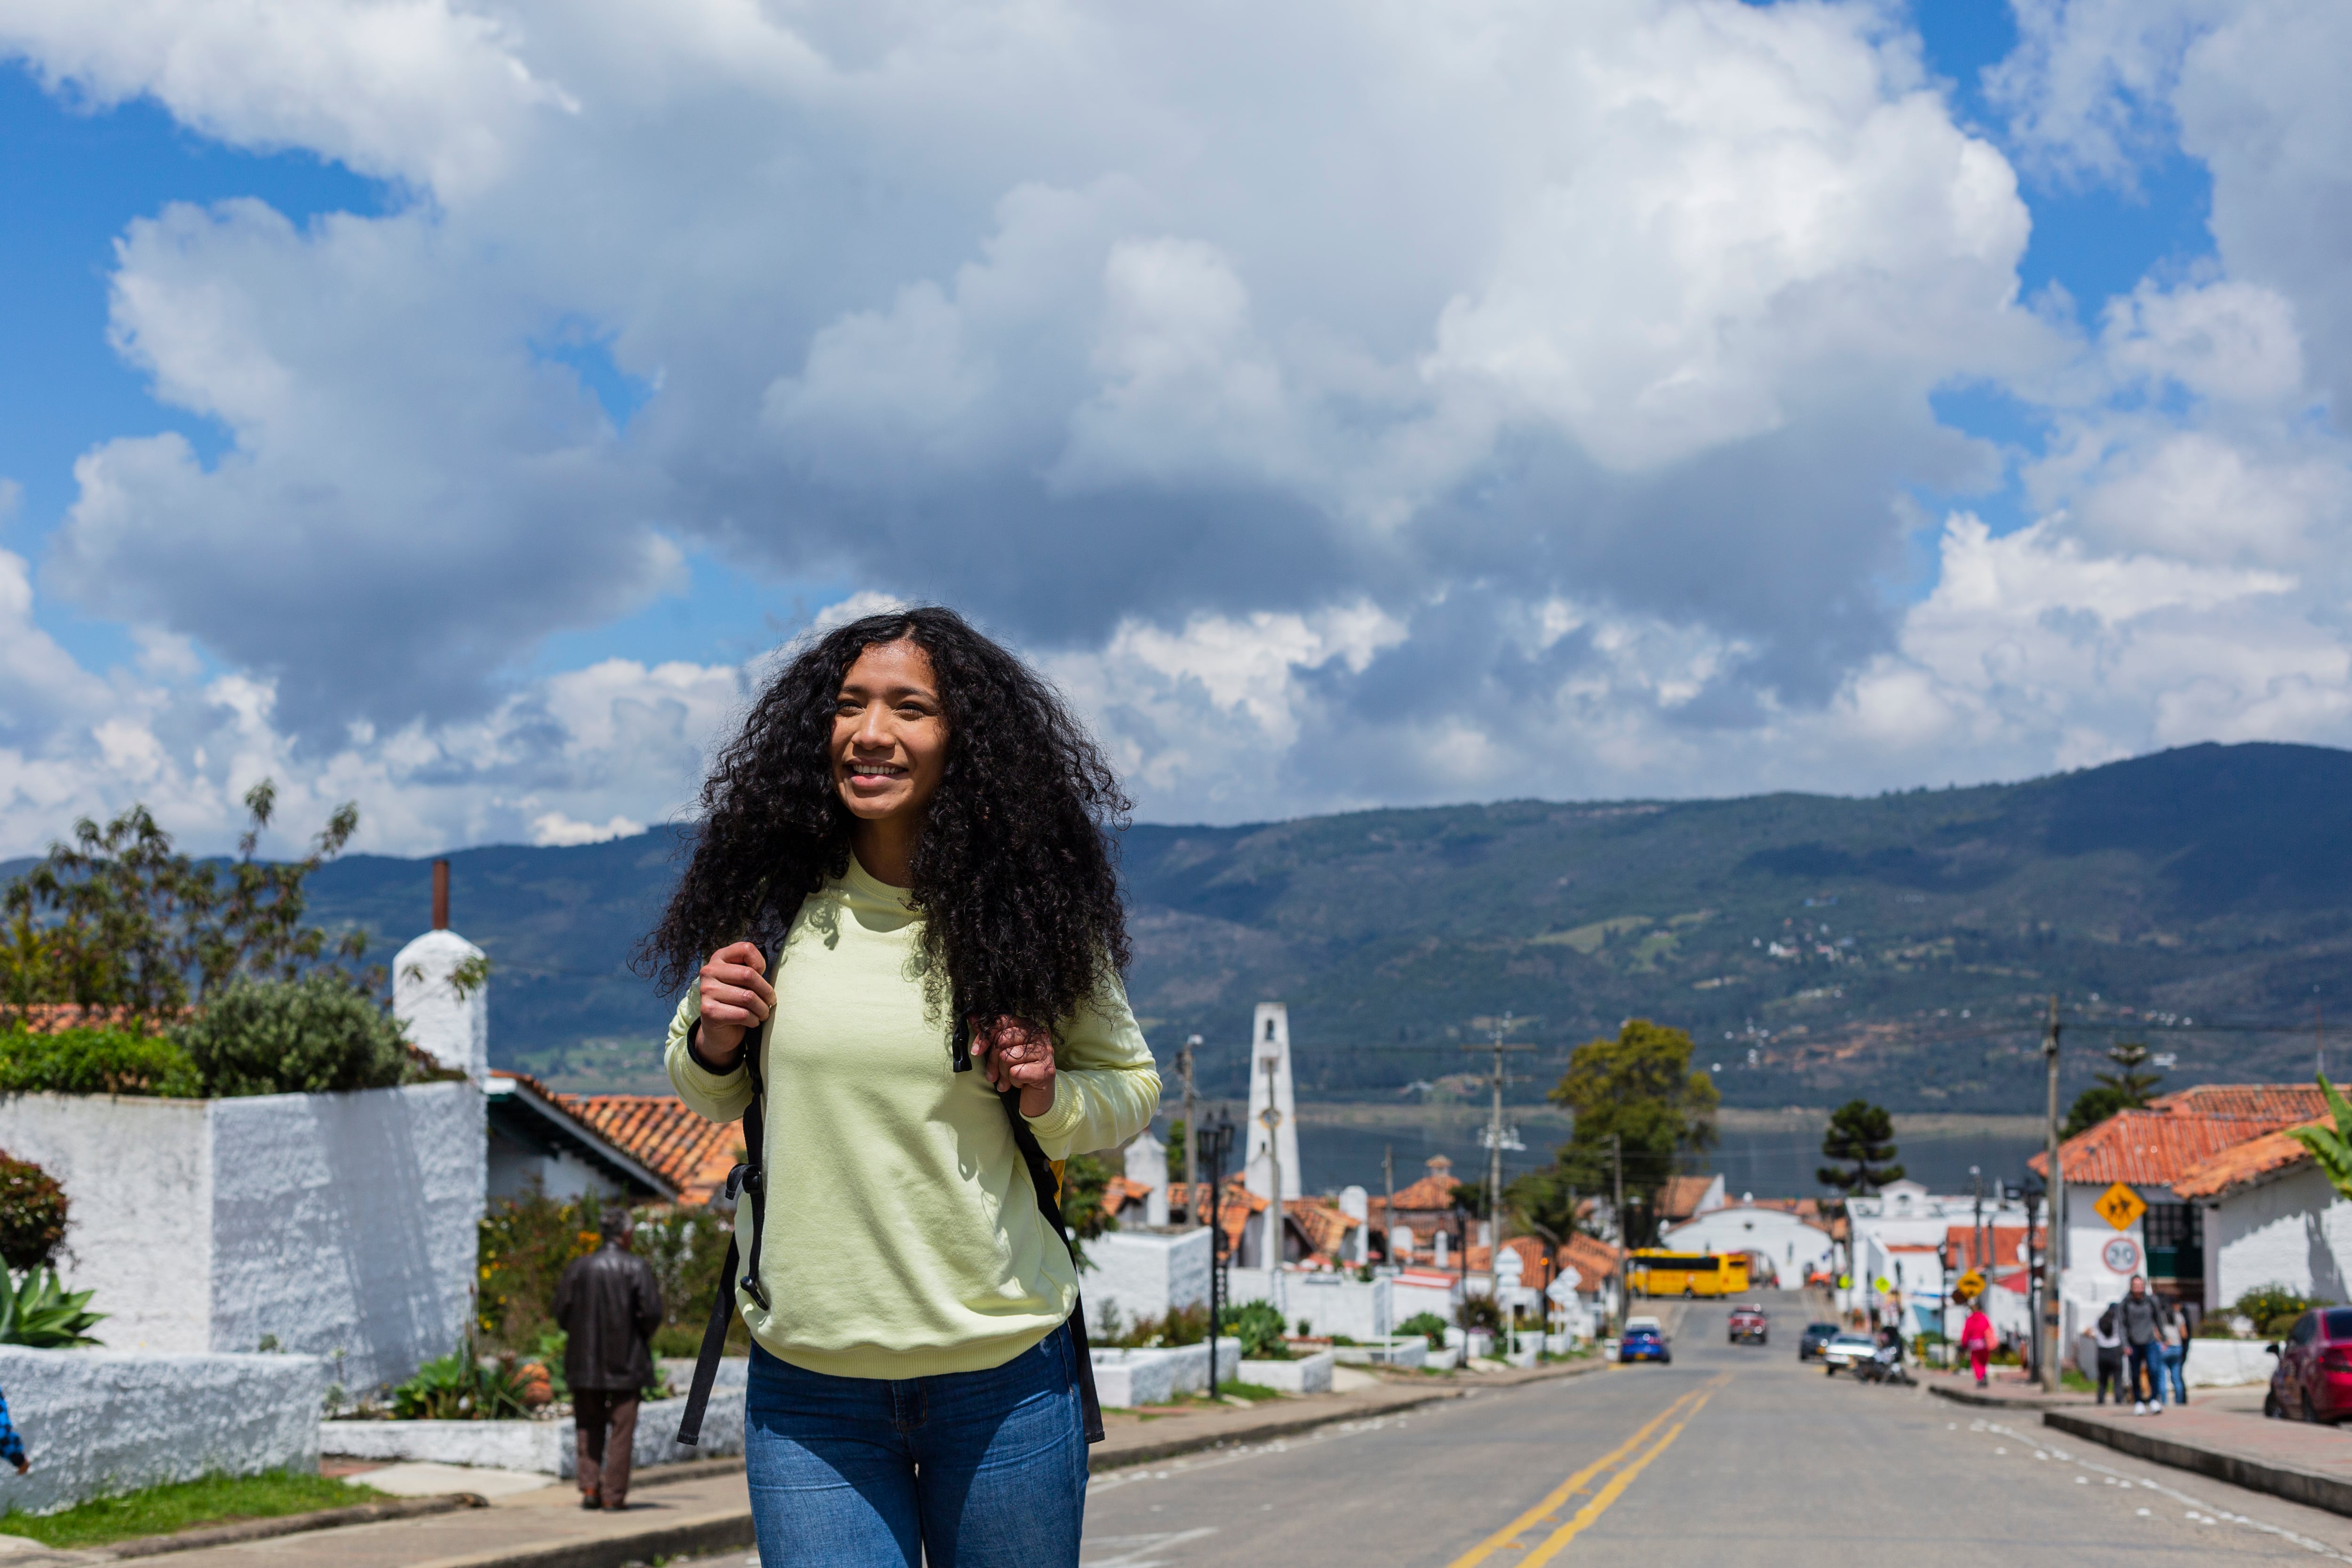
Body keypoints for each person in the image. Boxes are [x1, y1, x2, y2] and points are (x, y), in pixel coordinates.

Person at [645, 607, 1160, 1568]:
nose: (869, 731)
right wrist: (716, 1036)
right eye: (848, 705)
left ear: (964, 740)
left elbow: (1128, 1087)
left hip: (1003, 1378)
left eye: (908, 706)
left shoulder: (1030, 918)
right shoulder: (772, 902)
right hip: (810, 1389)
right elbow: (708, 1087)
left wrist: (1049, 1092)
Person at [554, 1208, 663, 1511]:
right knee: (622, 1430)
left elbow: (562, 1312)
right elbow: (652, 1313)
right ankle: (613, 1496)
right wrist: (637, 1336)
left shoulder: (579, 1267)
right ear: (626, 1234)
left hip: (584, 1362)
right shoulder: (636, 1267)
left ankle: (590, 1488)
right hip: (627, 1362)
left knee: (587, 1424)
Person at [2119, 1275, 2165, 1415]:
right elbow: (2122, 1325)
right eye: (2135, 1286)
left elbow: (2159, 1320)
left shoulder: (2152, 1301)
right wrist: (2125, 1344)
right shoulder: (2125, 1303)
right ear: (2131, 1287)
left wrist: (2163, 1338)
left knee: (2154, 1370)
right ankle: (2138, 1401)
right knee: (2135, 1374)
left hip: (2150, 1341)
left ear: (2144, 1287)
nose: (2138, 1288)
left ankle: (2154, 1400)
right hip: (2133, 1343)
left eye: (2140, 1286)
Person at [2091, 1302, 2126, 1405]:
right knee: (2118, 1380)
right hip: (2115, 1351)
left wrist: (2097, 1338)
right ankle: (2118, 1402)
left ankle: (2100, 1401)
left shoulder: (2099, 1320)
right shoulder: (2118, 1321)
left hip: (2102, 1352)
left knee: (2102, 1381)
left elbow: (2087, 1331)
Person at [2160, 1297, 2190, 1405]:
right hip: (2177, 1348)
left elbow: (2157, 1334)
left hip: (2165, 1347)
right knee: (2177, 1378)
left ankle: (2164, 1402)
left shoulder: (2160, 1316)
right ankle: (2179, 1402)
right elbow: (2184, 1334)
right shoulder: (2178, 1316)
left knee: (2162, 1377)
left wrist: (2165, 1339)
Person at [1960, 1300, 1994, 1388]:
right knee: (1983, 1362)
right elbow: (1989, 1330)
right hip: (1984, 1344)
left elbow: (1966, 1333)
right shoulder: (1984, 1318)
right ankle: (1983, 1375)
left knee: (1976, 1363)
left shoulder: (1970, 1320)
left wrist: (1964, 1344)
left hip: (1974, 1345)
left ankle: (1980, 1378)